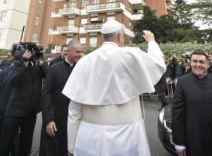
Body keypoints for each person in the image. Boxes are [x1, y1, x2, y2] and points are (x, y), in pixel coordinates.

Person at [62, 21, 166, 156]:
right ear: (119, 37)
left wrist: (71, 146)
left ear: (102, 38)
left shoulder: (84, 62)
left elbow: (74, 112)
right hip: (127, 137)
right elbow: (158, 62)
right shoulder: (131, 55)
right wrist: (151, 41)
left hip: (89, 137)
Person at [0, 46, 48, 156]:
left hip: (31, 110)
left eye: (38, 52)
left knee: (26, 142)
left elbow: (49, 74)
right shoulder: (19, 63)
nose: (36, 53)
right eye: (34, 52)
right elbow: (14, 81)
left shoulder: (40, 65)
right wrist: (24, 65)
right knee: (6, 140)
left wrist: (39, 62)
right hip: (15, 108)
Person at [39, 40, 82, 156]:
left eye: (81, 52)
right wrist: (48, 120)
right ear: (68, 51)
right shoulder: (54, 68)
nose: (80, 54)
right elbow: (46, 95)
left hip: (74, 121)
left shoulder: (82, 70)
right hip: (55, 121)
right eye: (77, 52)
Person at [172, 50, 212, 156]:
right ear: (191, 63)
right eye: (195, 61)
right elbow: (177, 114)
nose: (198, 64)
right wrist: (179, 143)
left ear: (208, 64)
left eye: (202, 62)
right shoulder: (182, 82)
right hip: (194, 138)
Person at [0, 57, 19, 156]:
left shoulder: (17, 70)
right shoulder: (6, 70)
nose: (8, 54)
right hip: (4, 110)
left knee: (12, 139)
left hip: (10, 112)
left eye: (11, 51)